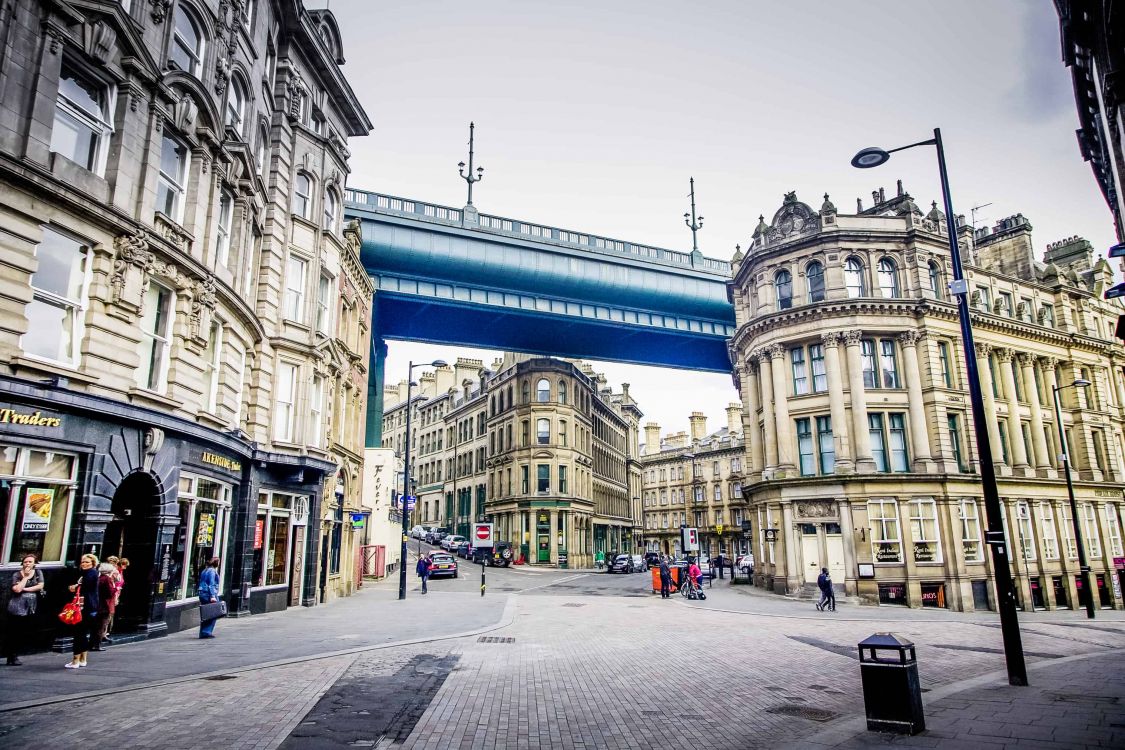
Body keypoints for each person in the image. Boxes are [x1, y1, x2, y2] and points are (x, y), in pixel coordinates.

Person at [4, 553, 44, 666]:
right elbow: (17, 589)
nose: (28, 564)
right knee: (14, 631)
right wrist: (25, 577)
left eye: (30, 562)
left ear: (34, 563)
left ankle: (14, 654)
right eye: (26, 562)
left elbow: (40, 586)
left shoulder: (38, 572)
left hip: (31, 605)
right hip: (18, 605)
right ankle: (12, 656)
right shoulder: (17, 574)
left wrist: (25, 588)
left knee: (23, 631)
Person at [65, 553, 100, 669]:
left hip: (84, 607)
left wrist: (75, 587)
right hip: (89, 607)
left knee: (79, 633)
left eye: (87, 562)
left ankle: (75, 660)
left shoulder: (90, 573)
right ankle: (82, 659)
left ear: (93, 563)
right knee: (83, 633)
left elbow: (85, 586)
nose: (84, 564)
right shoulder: (91, 573)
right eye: (83, 562)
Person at [92, 562, 117, 651]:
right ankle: (97, 645)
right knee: (101, 625)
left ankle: (93, 643)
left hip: (97, 604)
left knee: (96, 626)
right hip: (104, 605)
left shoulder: (100, 578)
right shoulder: (107, 579)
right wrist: (115, 589)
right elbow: (109, 593)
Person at [198, 557, 221, 639]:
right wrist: (212, 596)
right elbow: (211, 584)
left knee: (206, 614)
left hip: (202, 593)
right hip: (209, 594)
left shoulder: (204, 570)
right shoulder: (212, 571)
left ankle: (202, 632)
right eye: (218, 561)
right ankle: (207, 632)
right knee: (214, 613)